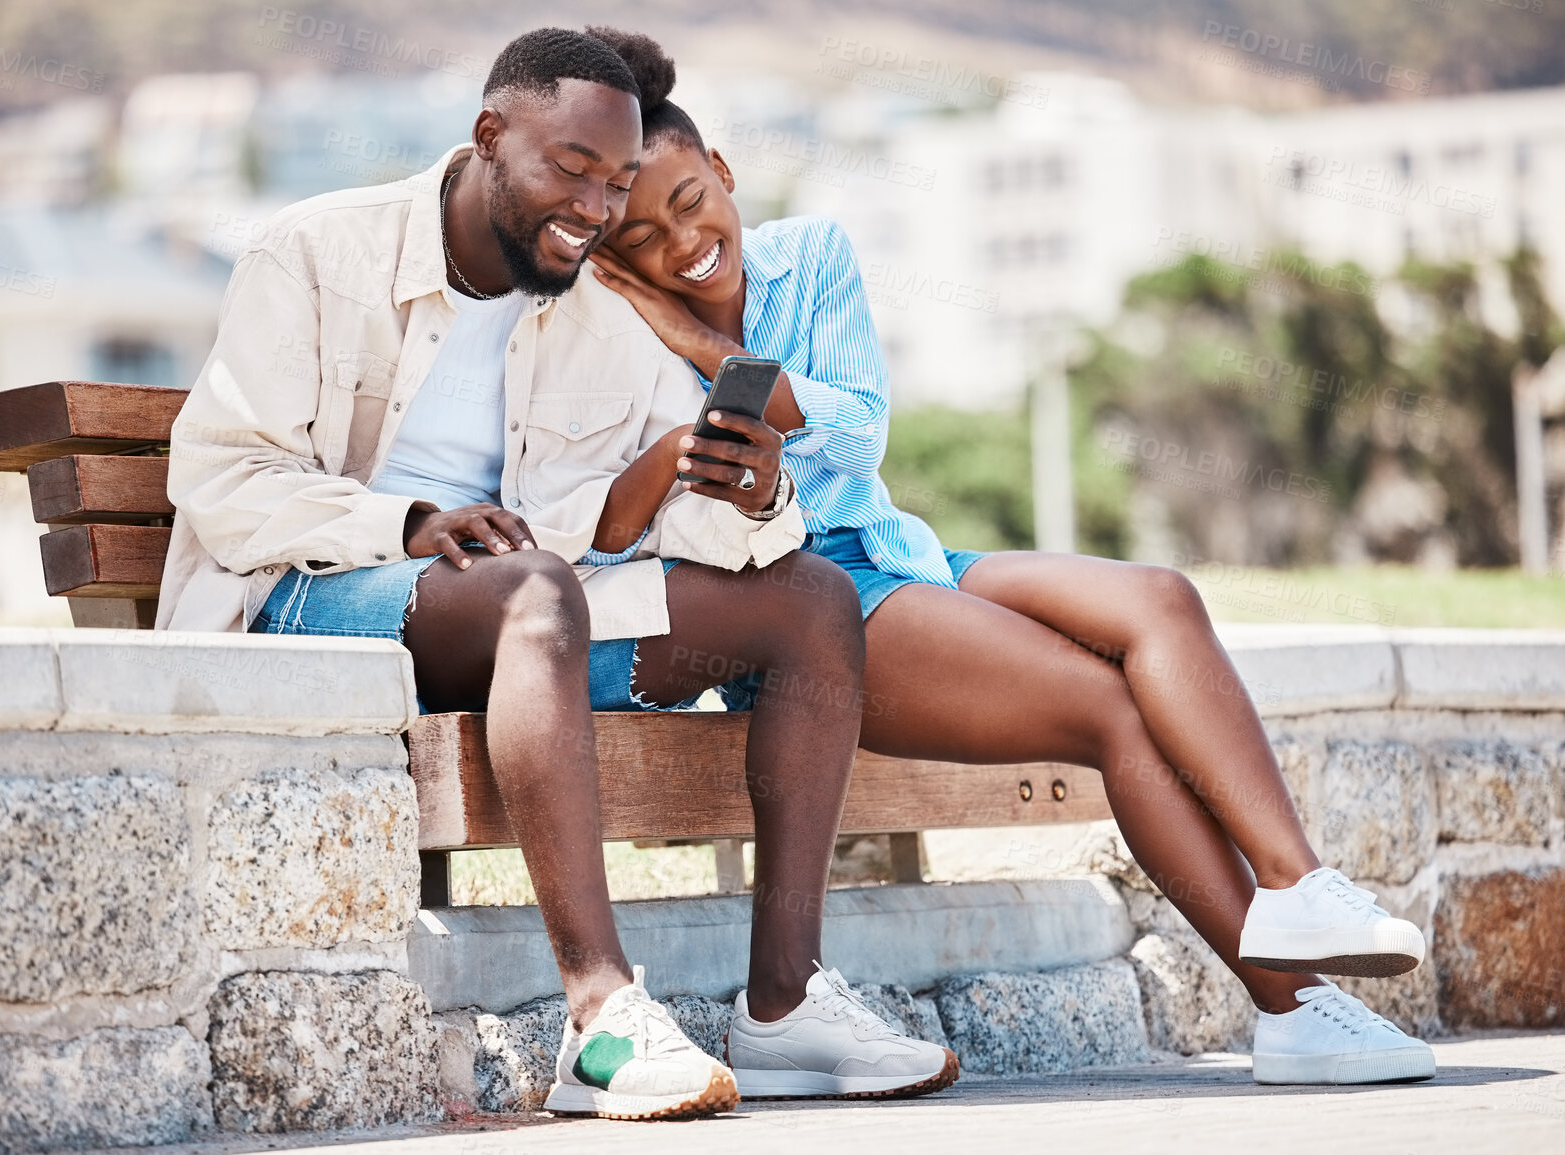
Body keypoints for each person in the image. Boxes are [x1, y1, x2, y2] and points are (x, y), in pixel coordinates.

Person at [582, 26, 1436, 1090]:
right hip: (810, 602)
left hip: (898, 548)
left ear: (722, 171)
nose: (682, 242)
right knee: (1106, 707)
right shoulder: (609, 335)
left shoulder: (811, 256)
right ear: (612, 257)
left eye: (690, 202)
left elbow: (854, 435)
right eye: (645, 238)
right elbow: (628, 526)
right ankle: (1295, 1009)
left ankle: (1297, 885)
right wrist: (664, 342)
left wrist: (703, 341)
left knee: (1159, 598)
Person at [157, 27, 958, 1120]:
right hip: (312, 596)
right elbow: (224, 477)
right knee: (539, 590)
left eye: (616, 181)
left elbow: (637, 510)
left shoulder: (594, 297)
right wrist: (411, 520)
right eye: (570, 169)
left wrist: (745, 489)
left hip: (524, 614)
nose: (595, 206)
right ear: (490, 137)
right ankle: (598, 1017)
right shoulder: (316, 250)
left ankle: (781, 1007)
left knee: (811, 600)